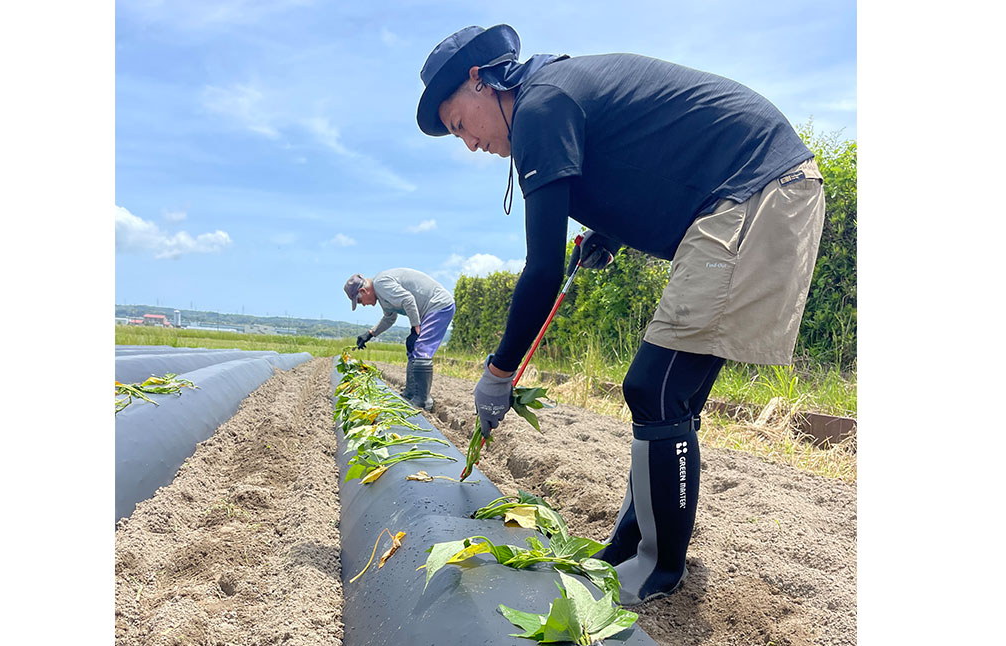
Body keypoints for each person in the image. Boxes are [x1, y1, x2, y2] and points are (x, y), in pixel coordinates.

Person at [417, 25, 825, 606]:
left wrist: (500, 370)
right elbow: (641, 155)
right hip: (741, 195)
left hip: (756, 189)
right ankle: (630, 546)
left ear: (481, 82)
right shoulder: (549, 94)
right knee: (666, 394)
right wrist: (605, 234)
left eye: (460, 125)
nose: (470, 145)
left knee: (654, 388)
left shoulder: (540, 105)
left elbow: (540, 269)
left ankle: (659, 568)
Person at [343, 268, 455, 411]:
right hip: (428, 310)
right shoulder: (382, 294)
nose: (363, 304)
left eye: (359, 301)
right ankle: (410, 394)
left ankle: (423, 401)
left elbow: (408, 300)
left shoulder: (381, 284)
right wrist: (370, 333)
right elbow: (390, 318)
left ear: (364, 292)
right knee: (412, 346)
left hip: (439, 305)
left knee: (421, 349)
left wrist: (416, 327)